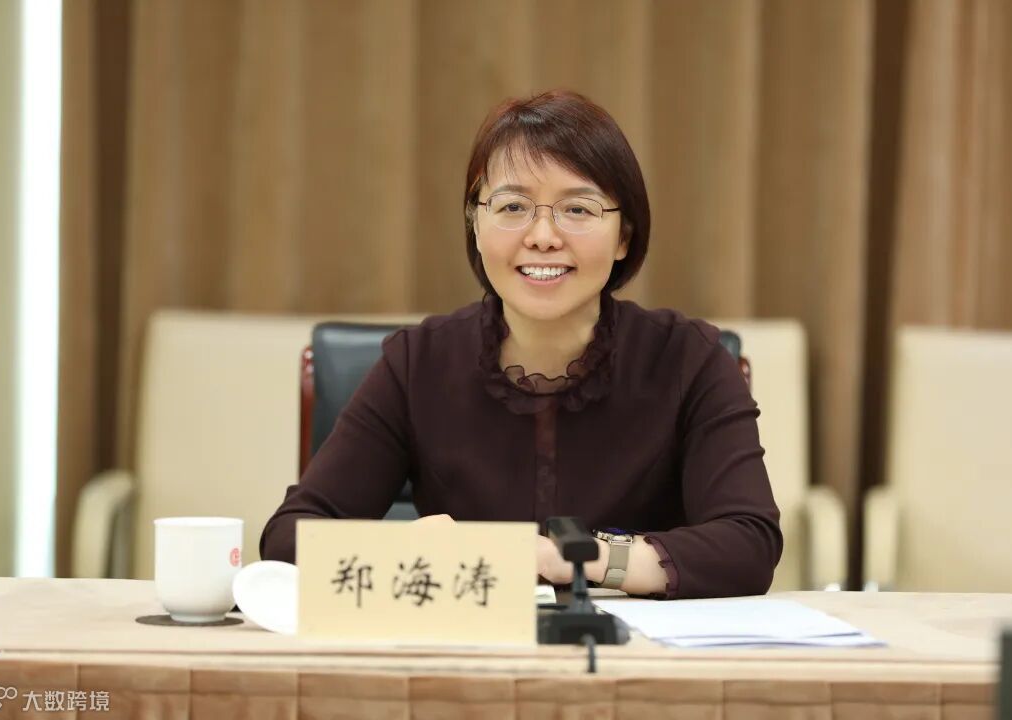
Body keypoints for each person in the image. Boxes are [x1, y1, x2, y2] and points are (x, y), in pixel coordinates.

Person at [261, 90, 782, 599]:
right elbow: (288, 538)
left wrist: (575, 558)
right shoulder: (417, 364)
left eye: (578, 209)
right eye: (513, 206)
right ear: (476, 225)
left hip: (636, 647)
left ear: (624, 236)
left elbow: (749, 543)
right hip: (467, 644)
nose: (543, 236)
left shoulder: (690, 360)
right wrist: (401, 548)